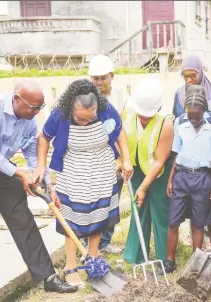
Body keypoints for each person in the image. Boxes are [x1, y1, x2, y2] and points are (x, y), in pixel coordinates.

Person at [0, 79, 78, 302]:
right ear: (17, 99)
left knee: (23, 220)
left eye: (40, 108)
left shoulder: (29, 119)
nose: (36, 113)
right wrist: (20, 173)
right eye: (33, 107)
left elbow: (31, 155)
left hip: (3, 168)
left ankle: (47, 277)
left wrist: (46, 184)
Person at [35, 79, 133, 287]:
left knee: (98, 216)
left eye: (91, 118)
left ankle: (92, 261)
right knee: (72, 219)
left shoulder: (106, 110)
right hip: (73, 171)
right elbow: (43, 137)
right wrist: (41, 166)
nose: (86, 123)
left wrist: (126, 158)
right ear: (72, 106)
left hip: (101, 170)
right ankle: (71, 266)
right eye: (81, 119)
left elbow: (119, 130)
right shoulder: (59, 114)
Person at [165, 85, 211, 273]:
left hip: (202, 178)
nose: (193, 119)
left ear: (204, 112)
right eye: (189, 115)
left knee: (198, 223)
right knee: (173, 221)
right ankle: (169, 261)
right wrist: (170, 179)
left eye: (196, 116)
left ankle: (195, 261)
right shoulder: (181, 127)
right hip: (181, 177)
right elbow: (176, 154)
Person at [121, 78, 175, 270]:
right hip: (135, 168)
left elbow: (160, 160)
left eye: (148, 116)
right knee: (137, 208)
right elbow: (121, 137)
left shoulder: (166, 122)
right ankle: (134, 254)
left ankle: (163, 256)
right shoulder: (127, 110)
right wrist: (123, 160)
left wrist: (145, 187)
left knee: (160, 211)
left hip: (159, 172)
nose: (143, 118)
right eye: (141, 115)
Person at [172, 54, 211, 249]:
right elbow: (178, 120)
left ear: (201, 72)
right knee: (190, 207)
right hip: (186, 155)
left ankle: (208, 242)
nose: (189, 80)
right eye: (185, 76)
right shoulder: (179, 94)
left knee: (204, 207)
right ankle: (195, 240)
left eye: (193, 75)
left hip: (206, 155)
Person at [84, 54, 125, 255]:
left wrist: (122, 159)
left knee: (111, 201)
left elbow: (123, 131)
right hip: (91, 160)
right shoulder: (83, 98)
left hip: (114, 160)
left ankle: (105, 241)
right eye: (95, 78)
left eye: (103, 78)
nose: (99, 82)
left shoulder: (120, 99)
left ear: (112, 76)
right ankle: (87, 244)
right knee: (90, 202)